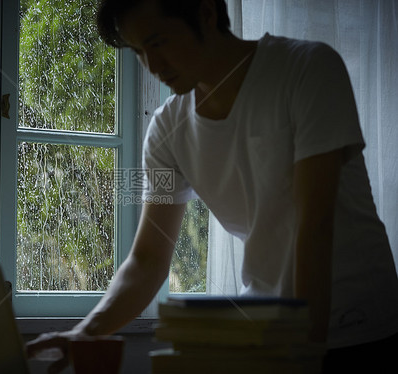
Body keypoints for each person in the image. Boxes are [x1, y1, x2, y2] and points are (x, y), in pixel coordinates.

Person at [26, 0, 398, 372]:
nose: (152, 66)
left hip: (359, 323)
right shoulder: (165, 131)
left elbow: (315, 225)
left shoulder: (307, 68)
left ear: (205, 12)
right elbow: (148, 260)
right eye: (138, 51)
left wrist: (304, 351)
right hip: (269, 333)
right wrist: (86, 332)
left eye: (157, 42)